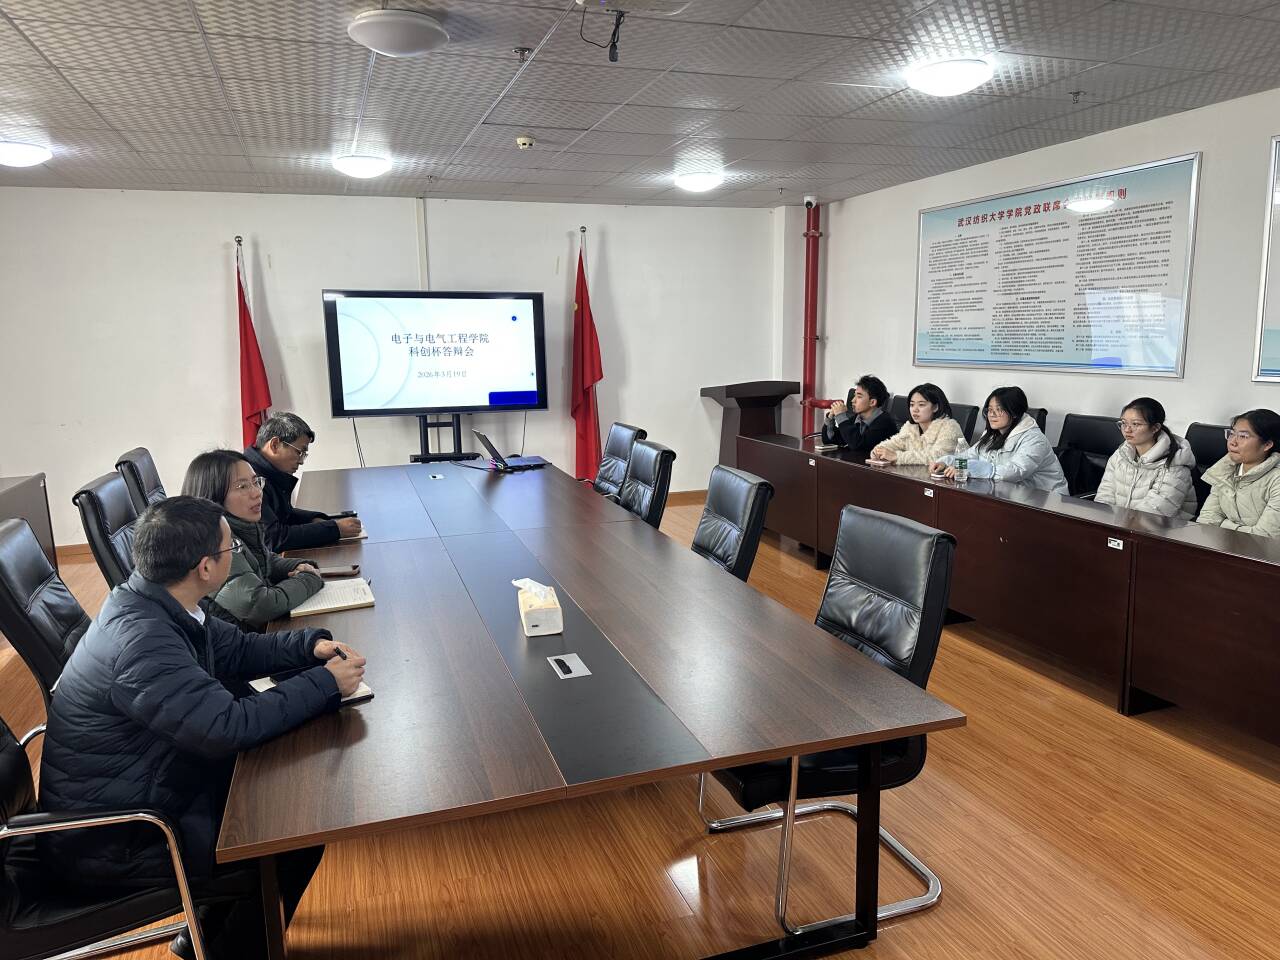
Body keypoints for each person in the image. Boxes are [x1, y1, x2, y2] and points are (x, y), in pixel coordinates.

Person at [37, 496, 367, 959]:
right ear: (206, 567)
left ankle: (205, 937)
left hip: (148, 787)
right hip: (118, 839)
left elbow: (236, 649)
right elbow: (227, 727)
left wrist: (310, 647)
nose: (237, 554)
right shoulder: (143, 642)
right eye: (231, 548)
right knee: (289, 835)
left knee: (282, 806)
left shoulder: (155, 601)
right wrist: (325, 684)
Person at [182, 449, 325, 630]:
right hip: (237, 644)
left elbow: (262, 560)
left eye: (256, 482)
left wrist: (298, 565)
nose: (257, 492)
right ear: (212, 496)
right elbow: (260, 605)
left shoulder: (237, 526)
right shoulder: (214, 542)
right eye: (242, 487)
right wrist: (308, 578)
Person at [244, 412, 362, 551]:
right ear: (275, 445)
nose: (301, 461)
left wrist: (314, 520)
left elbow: (284, 514)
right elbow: (272, 538)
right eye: (299, 452)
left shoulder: (266, 470)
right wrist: (334, 529)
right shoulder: (251, 480)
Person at [932, 386, 1068, 494]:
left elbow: (1015, 472)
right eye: (990, 409)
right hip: (1011, 495)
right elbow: (969, 455)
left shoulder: (1034, 439)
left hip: (1047, 501)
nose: (992, 415)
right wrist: (946, 462)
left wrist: (970, 468)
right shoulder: (992, 434)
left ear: (1014, 412)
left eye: (999, 410)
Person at [1094, 397, 1197, 519]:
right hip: (1121, 525)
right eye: (1124, 423)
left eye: (1135, 424)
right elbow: (1105, 494)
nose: (1127, 430)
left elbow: (1155, 512)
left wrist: (1118, 525)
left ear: (1155, 428)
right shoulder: (1120, 454)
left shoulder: (1175, 464)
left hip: (1167, 527)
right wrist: (1102, 520)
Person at [1196, 408, 1280, 537]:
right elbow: (1206, 521)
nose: (1232, 442)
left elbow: (1264, 537)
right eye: (1231, 434)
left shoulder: (1276, 480)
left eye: (1243, 436)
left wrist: (1223, 524)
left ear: (1267, 444)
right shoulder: (1225, 469)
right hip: (1221, 545)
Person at [870, 382, 966, 466]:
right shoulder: (910, 427)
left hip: (955, 478)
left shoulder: (950, 427)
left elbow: (938, 457)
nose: (915, 409)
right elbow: (894, 443)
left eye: (921, 405)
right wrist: (878, 451)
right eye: (912, 405)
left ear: (935, 407)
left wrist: (897, 457)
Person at [821, 374, 897, 456]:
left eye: (859, 397)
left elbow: (858, 445)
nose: (853, 400)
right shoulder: (858, 418)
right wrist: (830, 418)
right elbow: (831, 440)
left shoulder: (884, 422)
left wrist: (841, 416)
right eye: (854, 396)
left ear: (872, 402)